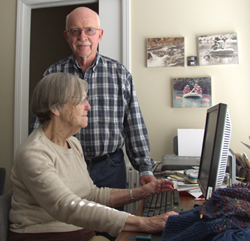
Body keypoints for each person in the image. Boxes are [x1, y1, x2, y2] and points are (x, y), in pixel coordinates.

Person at [9, 72, 177, 241]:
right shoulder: (34, 153)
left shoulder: (73, 144)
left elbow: (92, 195)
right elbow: (67, 206)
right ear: (55, 107)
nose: (88, 106)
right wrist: (143, 223)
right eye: (81, 100)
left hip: (79, 233)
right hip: (44, 235)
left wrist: (142, 192)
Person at [30, 7, 158, 194]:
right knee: (70, 222)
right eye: (75, 31)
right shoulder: (52, 75)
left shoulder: (119, 74)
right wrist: (32, 168)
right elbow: (39, 127)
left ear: (100, 35)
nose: (83, 37)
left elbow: (133, 124)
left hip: (110, 168)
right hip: (66, 167)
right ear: (67, 36)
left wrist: (144, 168)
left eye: (90, 30)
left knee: (112, 222)